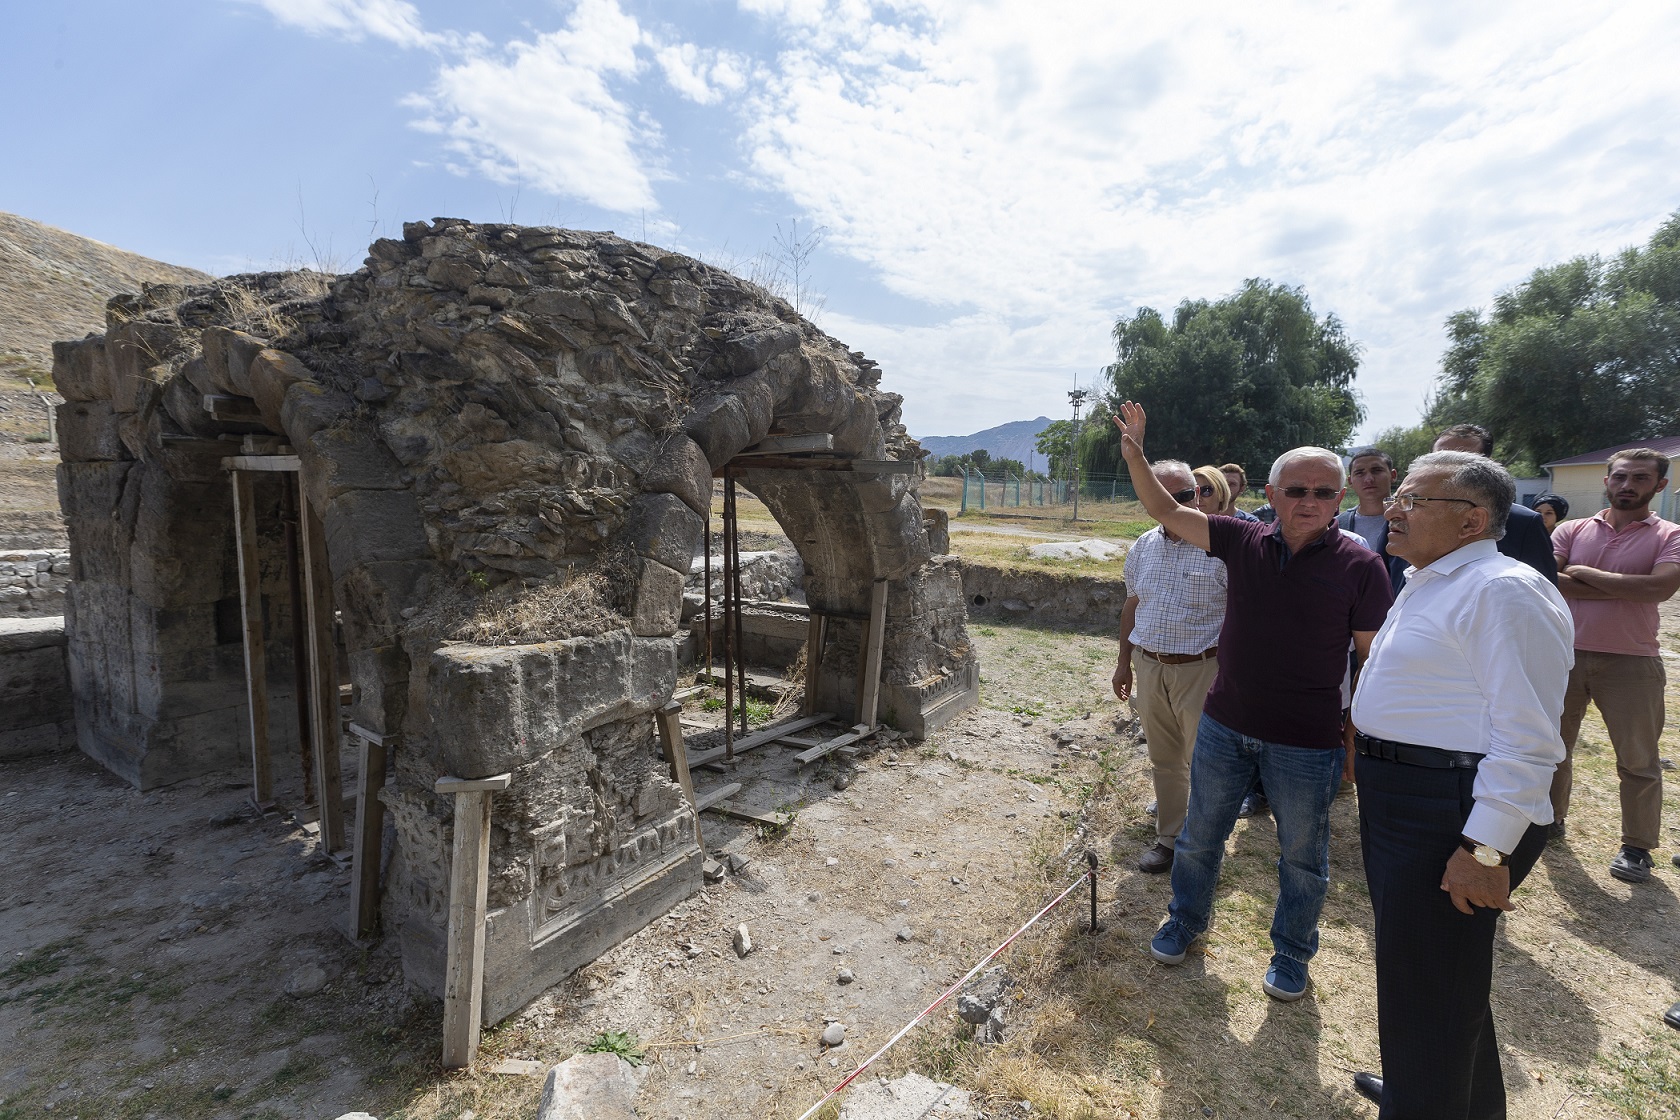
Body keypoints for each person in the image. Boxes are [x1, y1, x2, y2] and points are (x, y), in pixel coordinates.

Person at [1113, 402, 1393, 1002]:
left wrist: (1354, 743)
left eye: (1324, 490)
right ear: (1272, 492)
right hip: (1225, 723)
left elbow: (1371, 663)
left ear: (1341, 498)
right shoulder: (1241, 541)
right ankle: (1185, 922)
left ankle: (1291, 953)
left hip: (1306, 738)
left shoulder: (1362, 567)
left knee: (1300, 857)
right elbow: (1164, 509)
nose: (1310, 501)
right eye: (1297, 490)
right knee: (1199, 837)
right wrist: (1135, 453)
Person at [1347, 450, 1573, 1118]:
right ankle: (1449, 1093)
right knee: (1436, 981)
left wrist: (1485, 850)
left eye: (1412, 500)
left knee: (1428, 985)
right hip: (1411, 798)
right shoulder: (1434, 579)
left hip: (1450, 809)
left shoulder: (1503, 590)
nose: (1391, 508)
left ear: (1471, 519)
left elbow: (1530, 737)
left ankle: (1425, 1096)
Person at [1550, 449, 1680, 877]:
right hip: (1563, 655)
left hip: (1632, 662)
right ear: (1607, 480)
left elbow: (1660, 588)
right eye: (1620, 477)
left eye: (1640, 478)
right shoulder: (1573, 528)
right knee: (1552, 748)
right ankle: (1550, 820)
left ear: (1659, 485)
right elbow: (1548, 578)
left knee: (1637, 760)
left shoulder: (1670, 535)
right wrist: (1628, 587)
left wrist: (1584, 572)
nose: (1628, 485)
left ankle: (1637, 846)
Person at [1113, 461, 1227, 873]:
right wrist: (1124, 662)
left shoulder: (1222, 545)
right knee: (1165, 759)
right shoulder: (1144, 544)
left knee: (1207, 763)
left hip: (1203, 669)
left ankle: (1205, 846)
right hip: (1150, 665)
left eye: (1185, 495)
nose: (1178, 504)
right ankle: (1171, 839)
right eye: (1164, 497)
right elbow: (1133, 604)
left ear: (1197, 495)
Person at [1432, 425, 1557, 583]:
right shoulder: (1406, 516)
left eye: (1461, 461)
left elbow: (1541, 589)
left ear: (1486, 465)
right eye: (1438, 460)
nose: (1447, 469)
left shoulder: (1523, 524)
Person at [1336, 446, 1407, 594]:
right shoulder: (1336, 525)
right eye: (1360, 473)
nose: (1369, 479)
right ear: (1350, 481)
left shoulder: (1413, 520)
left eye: (1377, 470)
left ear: (1393, 475)